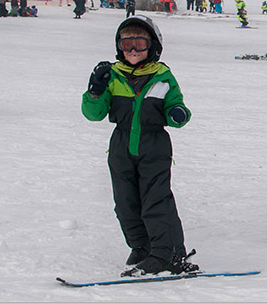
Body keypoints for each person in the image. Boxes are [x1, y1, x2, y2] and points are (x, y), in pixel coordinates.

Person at [81, 15, 199, 276]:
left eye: (140, 43)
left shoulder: (162, 76)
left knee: (156, 200)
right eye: (127, 44)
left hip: (153, 145)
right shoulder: (112, 76)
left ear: (153, 46)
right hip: (121, 145)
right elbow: (93, 114)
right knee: (125, 202)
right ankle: (141, 246)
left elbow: (176, 106)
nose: (133, 50)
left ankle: (167, 254)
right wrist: (94, 91)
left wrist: (177, 113)